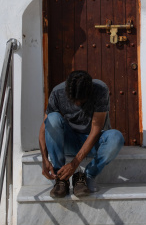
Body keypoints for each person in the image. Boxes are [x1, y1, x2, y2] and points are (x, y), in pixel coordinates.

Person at [39, 70, 124, 198]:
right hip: (69, 141)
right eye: (74, 100)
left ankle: (87, 175)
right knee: (52, 118)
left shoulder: (100, 89)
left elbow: (96, 130)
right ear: (67, 91)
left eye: (82, 101)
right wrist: (45, 159)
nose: (78, 104)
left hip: (94, 143)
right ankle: (61, 178)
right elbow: (44, 128)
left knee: (116, 138)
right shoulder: (57, 92)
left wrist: (74, 164)